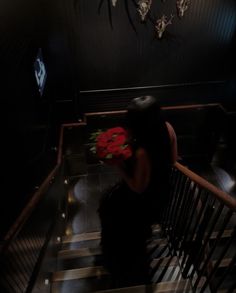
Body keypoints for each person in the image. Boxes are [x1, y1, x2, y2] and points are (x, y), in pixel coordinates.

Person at [98, 95, 177, 288]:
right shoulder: (168, 128)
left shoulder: (142, 151)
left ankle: (123, 260)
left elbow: (137, 187)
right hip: (161, 191)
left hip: (143, 200)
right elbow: (173, 161)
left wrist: (118, 165)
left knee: (108, 209)